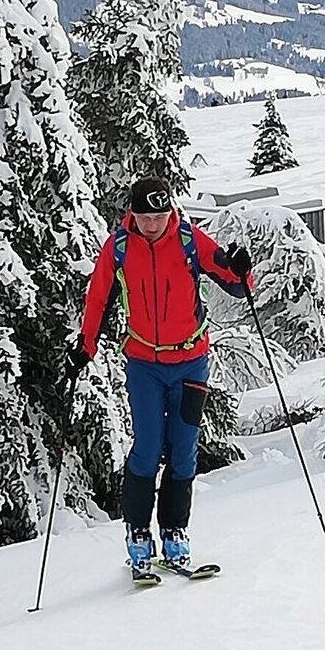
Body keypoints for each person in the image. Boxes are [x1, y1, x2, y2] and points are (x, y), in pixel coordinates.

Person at [67, 177, 252, 575]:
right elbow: (98, 297)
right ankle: (137, 532)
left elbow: (236, 286)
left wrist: (241, 269)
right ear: (132, 213)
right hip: (144, 366)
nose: (152, 224)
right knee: (148, 448)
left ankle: (174, 531)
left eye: (159, 215)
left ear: (171, 212)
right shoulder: (118, 247)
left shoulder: (189, 241)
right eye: (145, 216)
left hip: (190, 363)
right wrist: (87, 344)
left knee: (184, 450)